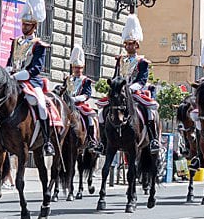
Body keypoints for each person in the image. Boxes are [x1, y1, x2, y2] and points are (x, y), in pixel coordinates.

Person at [5, 0, 56, 156]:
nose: (24, 27)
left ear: (34, 26)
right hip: (12, 80)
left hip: (30, 82)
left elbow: (36, 68)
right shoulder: (16, 42)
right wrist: (6, 73)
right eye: (23, 24)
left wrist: (17, 76)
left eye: (28, 25)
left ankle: (47, 140)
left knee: (40, 104)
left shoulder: (38, 44)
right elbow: (9, 61)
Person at [113, 13, 160, 153]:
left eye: (131, 44)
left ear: (137, 45)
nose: (128, 46)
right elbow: (116, 76)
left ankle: (153, 140)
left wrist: (130, 89)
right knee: (103, 109)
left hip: (135, 91)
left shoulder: (142, 62)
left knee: (151, 109)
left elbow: (142, 80)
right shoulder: (120, 60)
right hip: (120, 92)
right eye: (126, 44)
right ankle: (102, 140)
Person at [65, 44, 102, 153]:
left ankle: (92, 140)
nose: (78, 70)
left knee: (91, 116)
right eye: (76, 68)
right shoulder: (68, 79)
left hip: (79, 105)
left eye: (80, 68)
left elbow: (87, 95)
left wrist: (74, 99)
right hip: (67, 104)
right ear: (73, 67)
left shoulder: (86, 80)